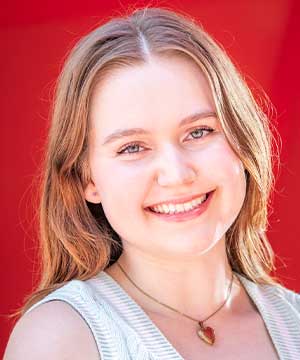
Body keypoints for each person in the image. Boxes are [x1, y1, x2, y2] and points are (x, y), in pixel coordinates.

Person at [4, 6, 300, 360]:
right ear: (86, 178)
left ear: (242, 138)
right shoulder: (60, 339)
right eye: (132, 147)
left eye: (199, 132)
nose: (176, 175)